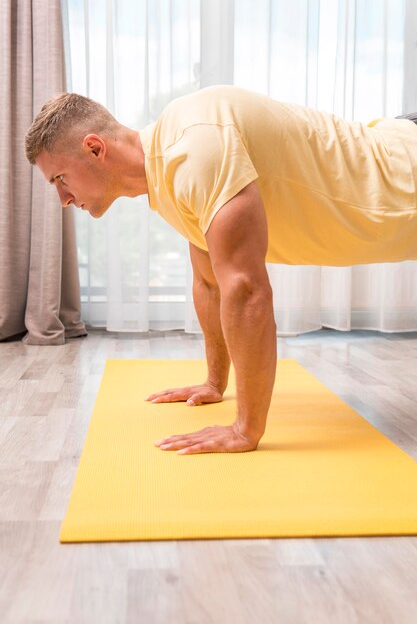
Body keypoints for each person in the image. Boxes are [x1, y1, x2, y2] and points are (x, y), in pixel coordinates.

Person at [25, 85, 417, 455]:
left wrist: (245, 430)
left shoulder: (194, 149)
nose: (63, 198)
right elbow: (209, 282)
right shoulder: (170, 165)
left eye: (60, 178)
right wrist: (215, 382)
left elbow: (246, 290)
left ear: (94, 148)